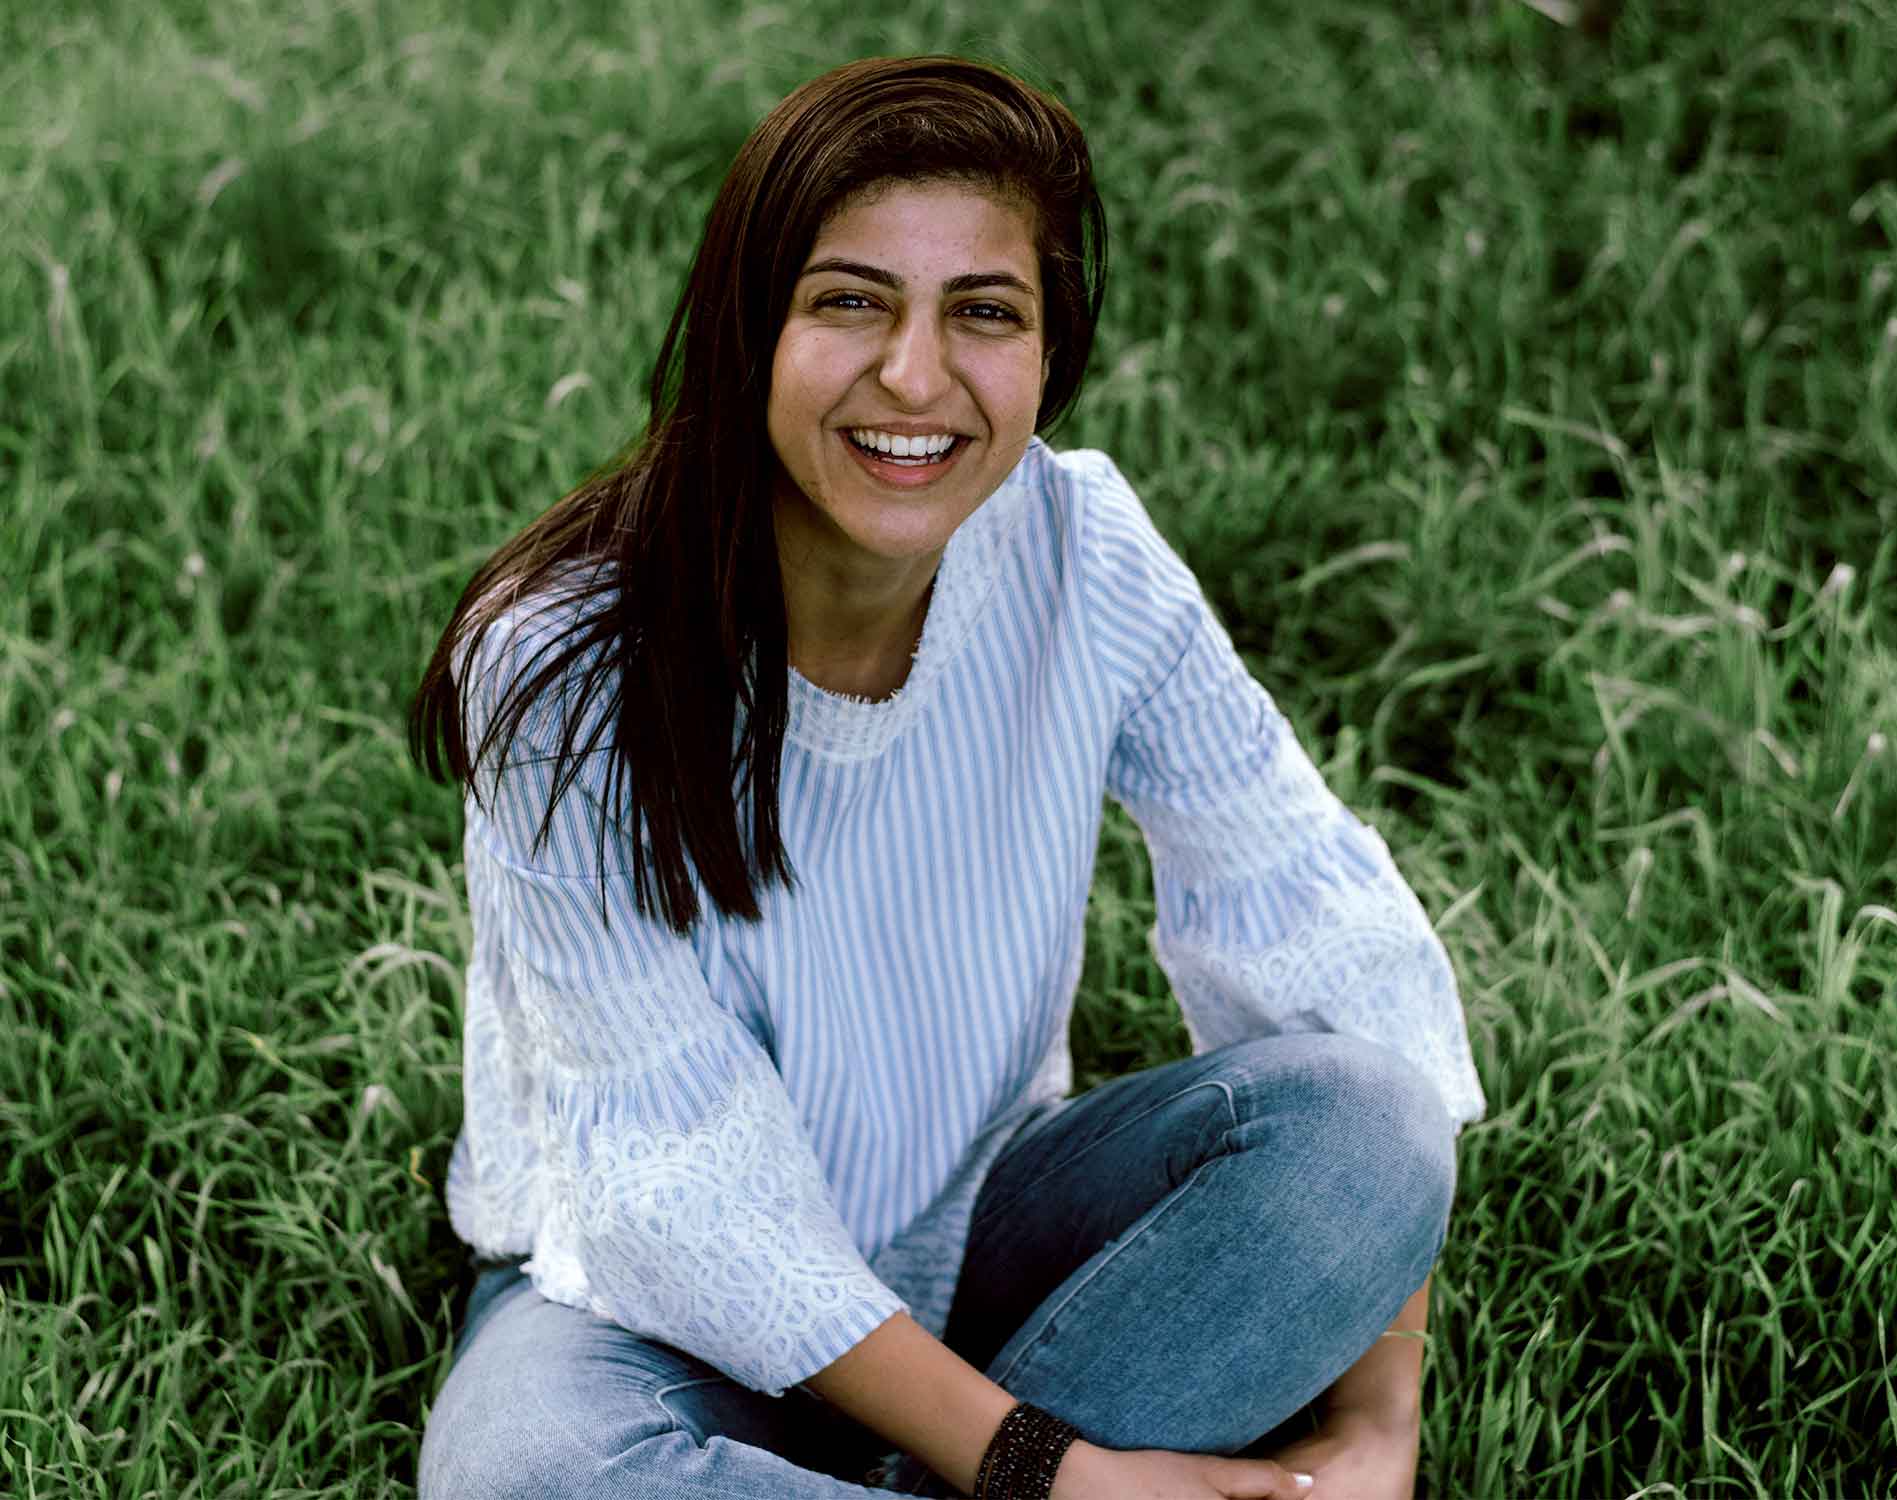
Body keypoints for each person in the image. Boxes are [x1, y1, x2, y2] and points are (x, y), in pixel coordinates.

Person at [409, 53, 1486, 1500]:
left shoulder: (1082, 549)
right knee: (528, 1476)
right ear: (751, 331)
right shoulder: (559, 666)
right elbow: (673, 1182)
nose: (915, 379)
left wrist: (1374, 1430)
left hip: (973, 1230)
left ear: (1052, 355)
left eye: (984, 313)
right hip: (639, 1305)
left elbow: (1324, 937)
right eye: (850, 300)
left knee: (1366, 1130)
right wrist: (1059, 1477)